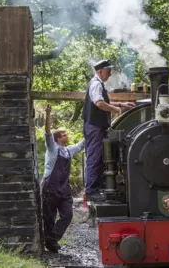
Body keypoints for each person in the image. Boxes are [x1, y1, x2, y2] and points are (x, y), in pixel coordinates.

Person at [82, 59, 135, 201]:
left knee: (98, 157)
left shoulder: (98, 84)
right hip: (95, 127)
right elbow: (99, 103)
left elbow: (102, 101)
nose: (110, 74)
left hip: (95, 126)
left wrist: (121, 103)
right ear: (100, 71)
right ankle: (91, 192)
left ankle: (96, 189)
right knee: (94, 158)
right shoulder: (95, 84)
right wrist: (116, 109)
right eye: (108, 71)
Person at [41, 104, 85, 253]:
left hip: (63, 189)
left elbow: (83, 144)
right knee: (49, 218)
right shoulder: (52, 148)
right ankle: (51, 244)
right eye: (64, 134)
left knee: (67, 214)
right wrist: (48, 114)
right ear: (58, 138)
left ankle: (52, 239)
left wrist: (93, 127)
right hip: (50, 187)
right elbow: (47, 132)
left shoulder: (68, 150)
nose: (67, 135)